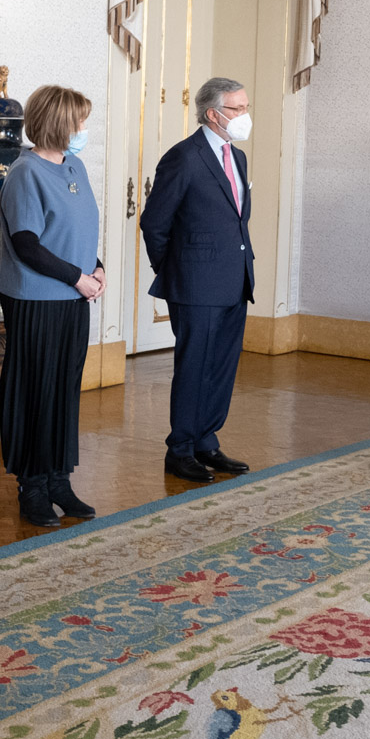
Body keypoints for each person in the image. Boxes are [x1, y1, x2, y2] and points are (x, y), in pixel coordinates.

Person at [0, 85, 103, 528]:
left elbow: (77, 229)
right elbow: (27, 245)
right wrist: (78, 277)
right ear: (60, 123)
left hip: (74, 295)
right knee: (35, 392)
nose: (84, 129)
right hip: (37, 297)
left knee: (63, 391)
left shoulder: (73, 165)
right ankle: (33, 487)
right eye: (80, 121)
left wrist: (96, 267)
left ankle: (59, 480)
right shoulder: (25, 172)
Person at [139, 77, 255, 483]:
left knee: (221, 367)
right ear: (213, 114)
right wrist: (173, 270)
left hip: (235, 279)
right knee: (194, 366)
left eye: (245, 107)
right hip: (195, 284)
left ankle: (207, 441)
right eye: (237, 109)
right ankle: (181, 450)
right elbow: (154, 223)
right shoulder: (184, 157)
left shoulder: (237, 157)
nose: (245, 115)